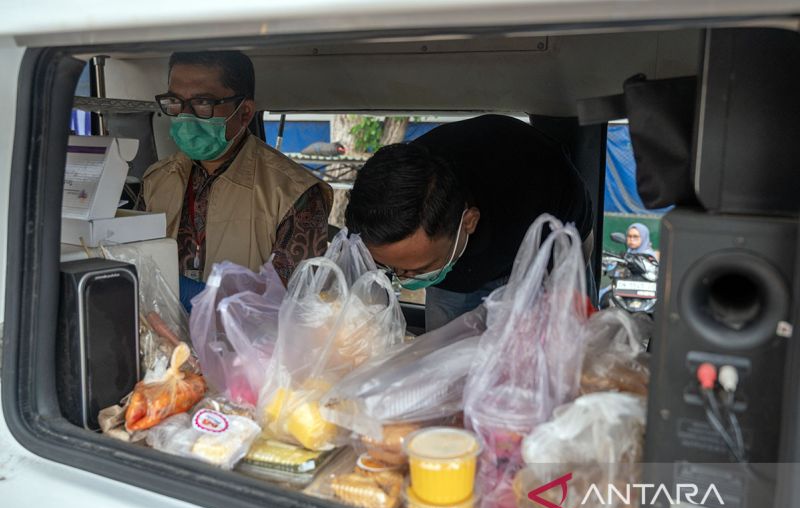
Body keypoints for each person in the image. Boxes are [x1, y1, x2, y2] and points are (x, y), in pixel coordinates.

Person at [345, 114, 594, 331]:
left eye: (418, 270)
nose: (403, 279)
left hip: (537, 249)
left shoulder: (537, 191)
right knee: (442, 359)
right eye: (392, 268)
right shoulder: (382, 205)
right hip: (457, 271)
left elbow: (573, 254)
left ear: (469, 221)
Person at [143, 51, 332, 299]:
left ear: (244, 113)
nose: (184, 116)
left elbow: (295, 307)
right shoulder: (156, 180)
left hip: (247, 336)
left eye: (203, 103)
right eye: (175, 101)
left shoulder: (293, 193)